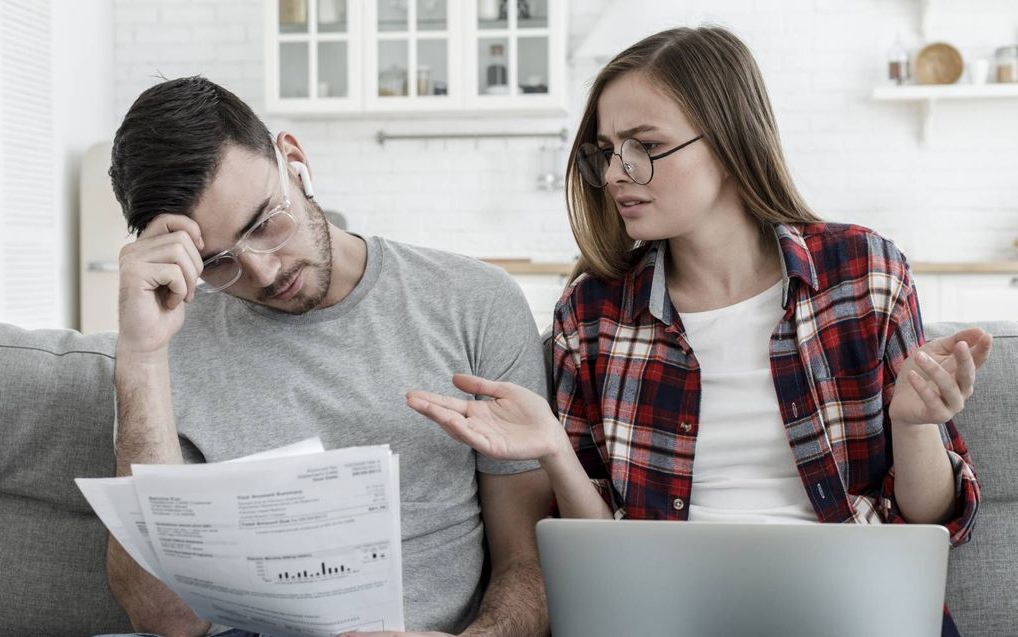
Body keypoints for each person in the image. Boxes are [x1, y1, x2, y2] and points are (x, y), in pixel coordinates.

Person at [406, 27, 991, 637]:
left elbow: (936, 520)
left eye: (644, 146)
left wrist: (914, 423)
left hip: (853, 616)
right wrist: (554, 447)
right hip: (667, 618)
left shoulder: (864, 271)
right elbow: (601, 557)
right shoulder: (594, 313)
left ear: (729, 140)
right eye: (607, 151)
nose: (615, 174)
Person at [104, 76, 551, 637]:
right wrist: (142, 357)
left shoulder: (474, 302)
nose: (265, 272)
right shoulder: (165, 344)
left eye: (265, 223)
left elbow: (529, 562)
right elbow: (163, 619)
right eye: (219, 262)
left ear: (294, 161)